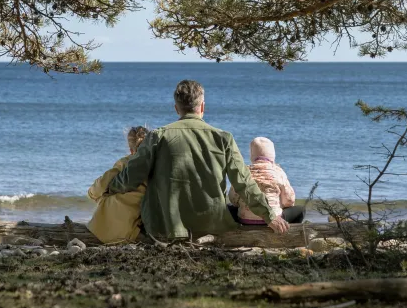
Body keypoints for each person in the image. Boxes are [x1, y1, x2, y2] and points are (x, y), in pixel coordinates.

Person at [105, 80, 288, 241]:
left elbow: (131, 177)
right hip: (211, 224)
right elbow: (244, 182)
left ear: (176, 108)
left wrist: (109, 188)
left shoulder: (157, 137)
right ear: (202, 107)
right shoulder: (223, 138)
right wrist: (269, 215)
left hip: (164, 226)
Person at [87, 126, 149, 244]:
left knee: (102, 195)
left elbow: (103, 183)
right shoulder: (155, 163)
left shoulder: (126, 162)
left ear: (130, 150)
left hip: (119, 212)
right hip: (140, 213)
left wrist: (91, 193)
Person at [228, 136, 305, 226]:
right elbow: (289, 200)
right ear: (273, 156)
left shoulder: (244, 172)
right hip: (275, 220)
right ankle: (288, 234)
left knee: (228, 208)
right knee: (301, 210)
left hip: (245, 220)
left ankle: (235, 231)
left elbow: (233, 198)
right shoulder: (278, 172)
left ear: (251, 156)